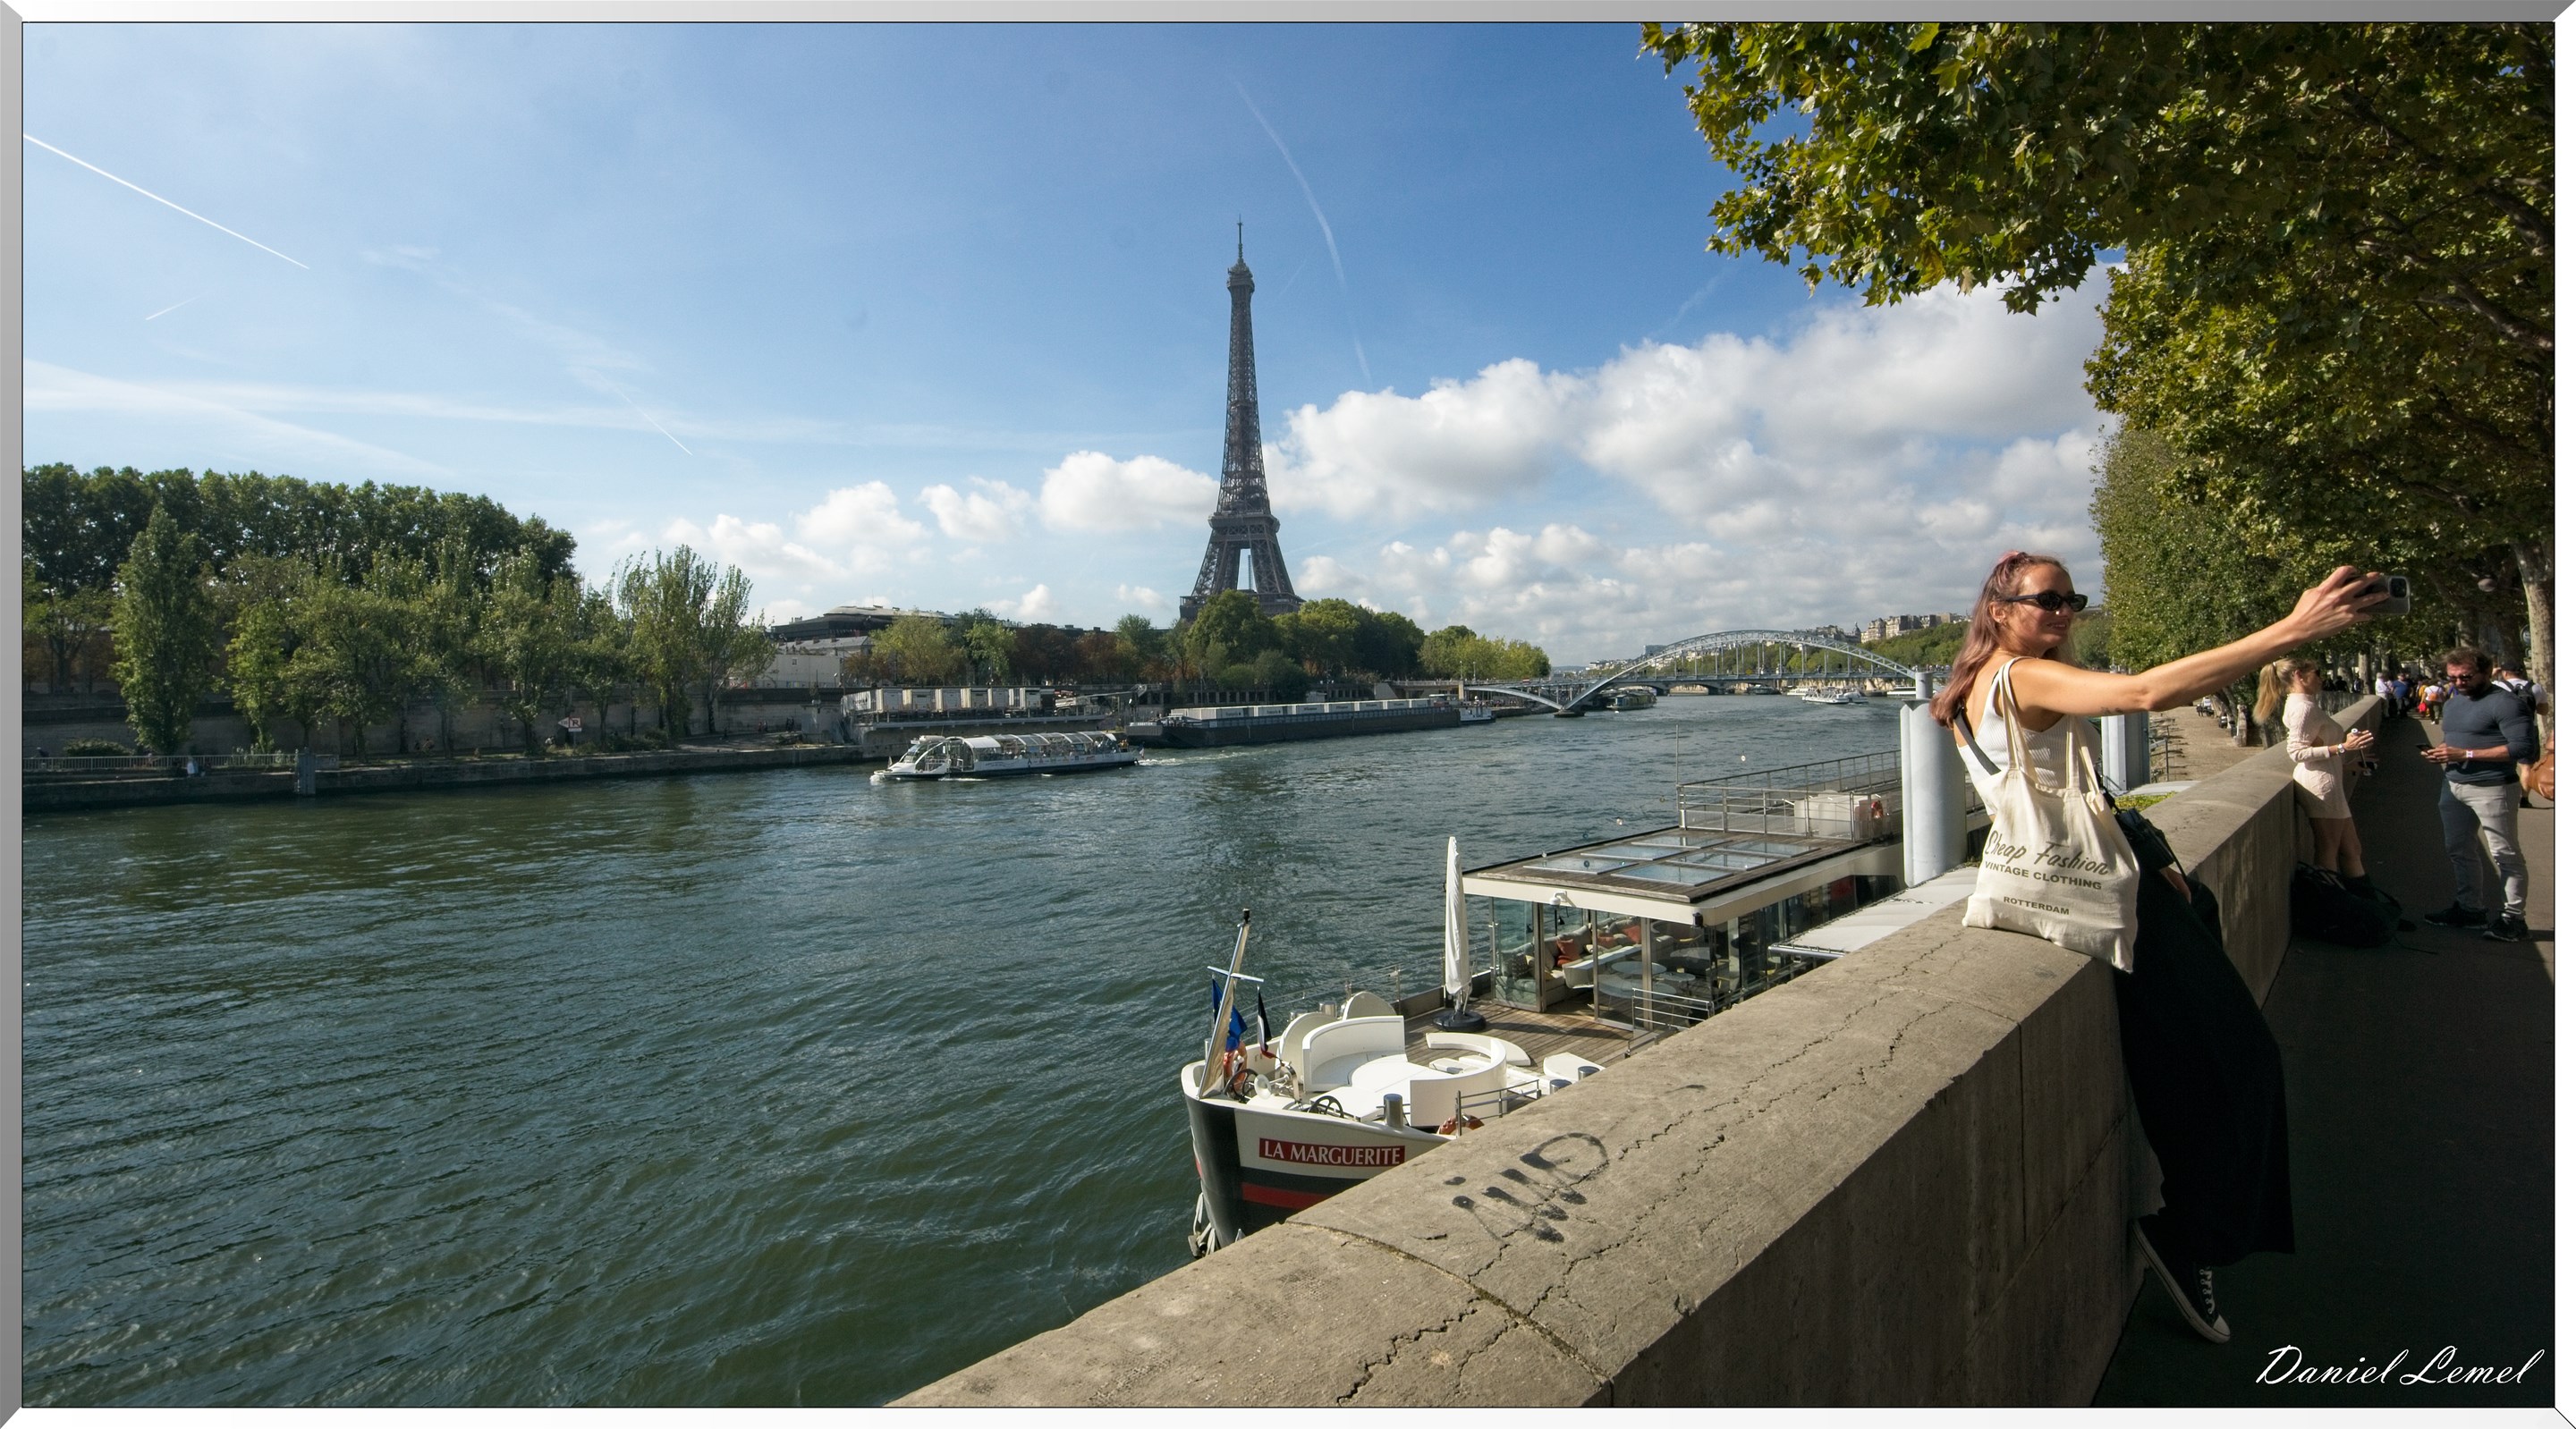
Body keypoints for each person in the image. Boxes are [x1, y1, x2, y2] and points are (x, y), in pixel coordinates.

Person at [1934, 550, 2387, 1348]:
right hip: (2109, 896)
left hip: (2120, 880)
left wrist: (2153, 852)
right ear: (1999, 608)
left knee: (2194, 1058)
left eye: (2073, 599)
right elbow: (2144, 694)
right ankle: (2188, 1237)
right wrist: (2293, 629)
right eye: (2048, 600)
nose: (2066, 612)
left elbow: (2078, 787)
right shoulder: (2019, 677)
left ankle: (2195, 1227)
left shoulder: (2000, 678)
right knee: (2240, 1061)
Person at [2421, 647, 2539, 942]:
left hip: (2494, 787)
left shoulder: (2507, 704)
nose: (2459, 682)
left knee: (2505, 854)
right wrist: (2442, 755)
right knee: (2459, 849)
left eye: (2466, 676)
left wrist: (2468, 753)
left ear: (2488, 673)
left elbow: (2524, 749)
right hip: (2454, 785)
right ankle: (2470, 909)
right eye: (2452, 677)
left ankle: (2514, 918)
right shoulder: (2452, 703)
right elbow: (2454, 741)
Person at [2256, 657, 2374, 887]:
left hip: (2327, 780)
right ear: (2300, 676)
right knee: (2328, 852)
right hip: (2320, 786)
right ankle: (2335, 908)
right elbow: (2297, 752)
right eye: (2316, 673)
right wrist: (2343, 747)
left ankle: (2368, 910)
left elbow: (2316, 746)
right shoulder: (2302, 708)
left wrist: (2348, 764)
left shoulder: (2306, 705)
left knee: (2352, 849)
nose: (2321, 679)